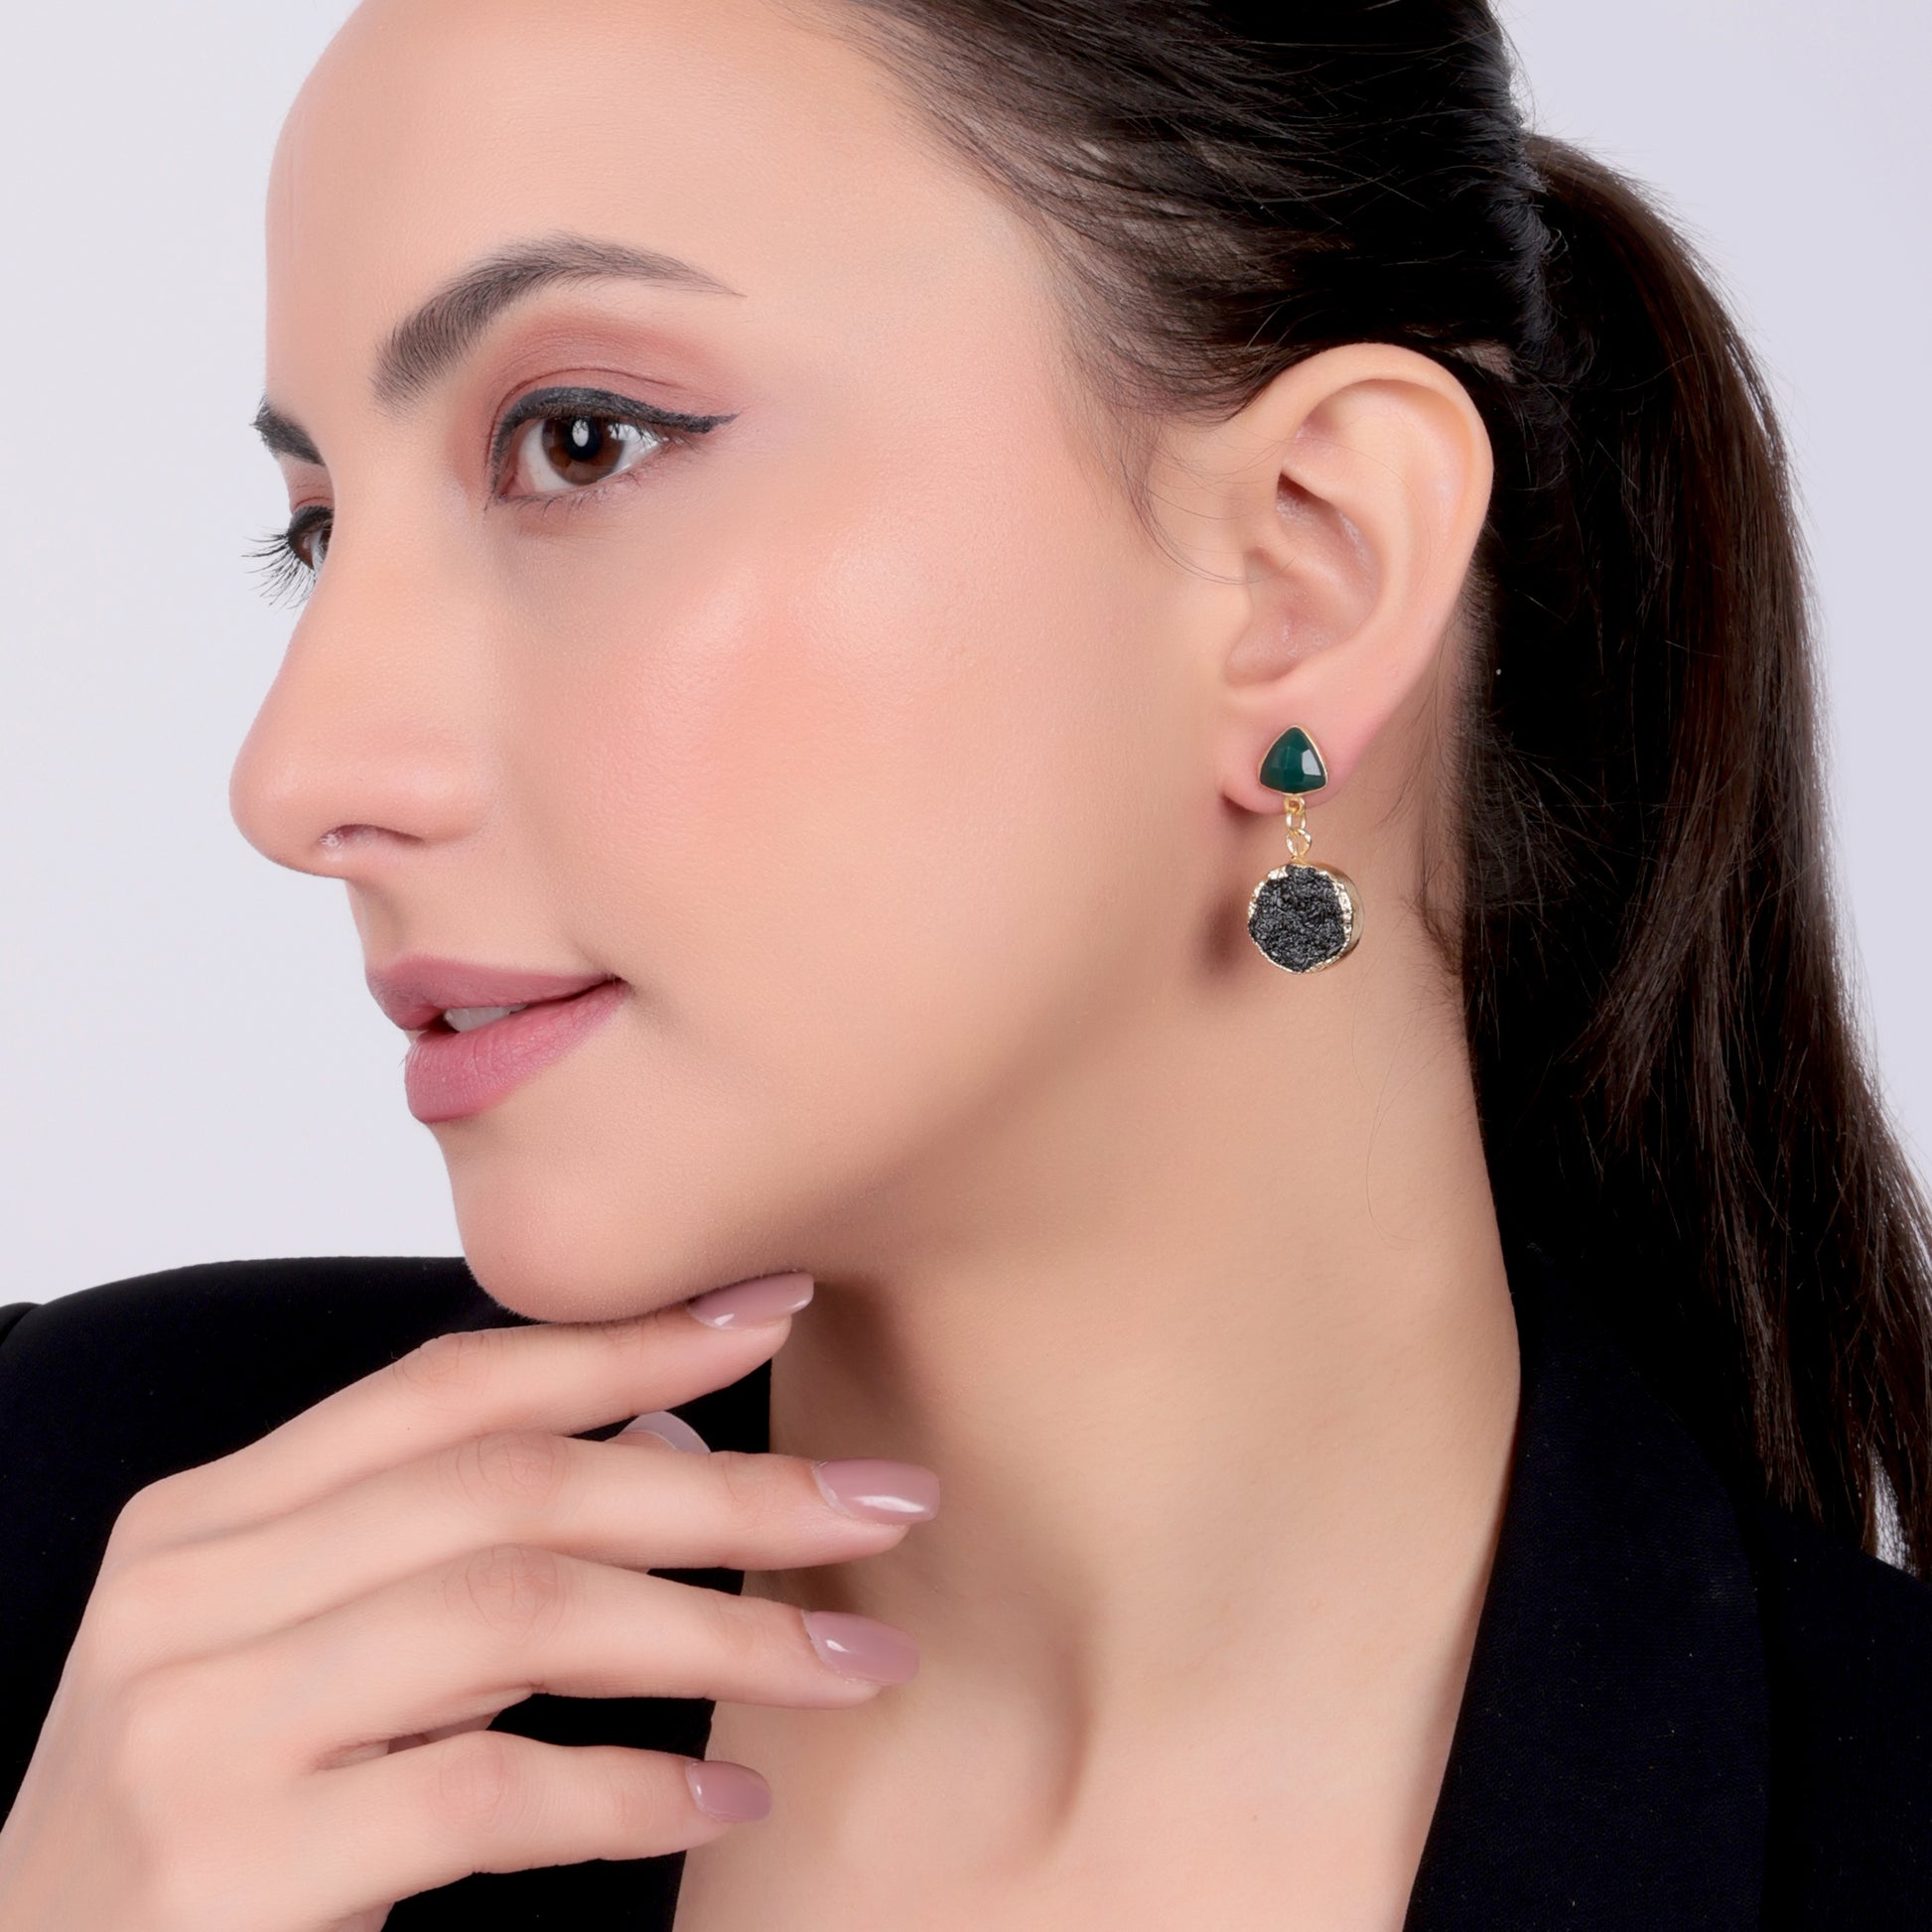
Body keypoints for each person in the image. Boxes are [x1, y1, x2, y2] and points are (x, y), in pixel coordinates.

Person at [1, 0, 1929, 1925]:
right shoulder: (76, 1572)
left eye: (580, 441)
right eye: (317, 530)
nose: (297, 775)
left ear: (1307, 562)